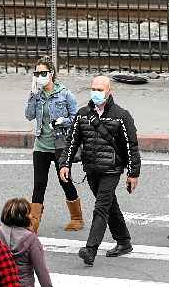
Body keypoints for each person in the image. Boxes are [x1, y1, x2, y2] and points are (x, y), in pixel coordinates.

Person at [59, 75, 141, 266]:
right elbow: (72, 142)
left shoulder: (122, 116)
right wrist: (65, 164)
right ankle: (124, 241)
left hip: (112, 170)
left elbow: (131, 146)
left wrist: (133, 173)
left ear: (109, 92)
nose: (96, 93)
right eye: (93, 89)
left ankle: (90, 249)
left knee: (101, 208)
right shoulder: (82, 114)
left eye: (100, 90)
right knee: (110, 204)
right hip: (92, 169)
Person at [25, 56, 83, 233]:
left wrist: (62, 121)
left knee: (64, 180)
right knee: (39, 184)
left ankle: (77, 218)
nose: (39, 76)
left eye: (43, 73)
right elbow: (29, 116)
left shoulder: (65, 94)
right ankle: (33, 223)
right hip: (41, 145)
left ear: (51, 74)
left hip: (60, 145)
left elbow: (76, 118)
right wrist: (33, 96)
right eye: (37, 73)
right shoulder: (37, 94)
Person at [0, 198, 53, 287]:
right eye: (29, 213)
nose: (31, 216)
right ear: (24, 217)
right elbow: (41, 271)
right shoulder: (31, 239)